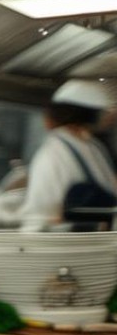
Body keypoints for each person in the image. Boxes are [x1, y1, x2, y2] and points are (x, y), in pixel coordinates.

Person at [18, 79, 117, 231]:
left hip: (96, 243)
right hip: (66, 247)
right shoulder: (54, 153)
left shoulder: (91, 145)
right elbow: (39, 220)